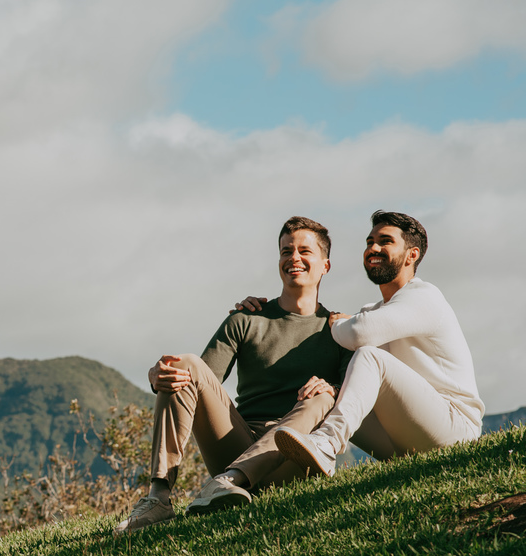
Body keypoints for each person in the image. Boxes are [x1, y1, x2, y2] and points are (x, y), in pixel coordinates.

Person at [114, 216, 352, 535]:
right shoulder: (246, 319)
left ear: (326, 265)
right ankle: (159, 497)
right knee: (184, 364)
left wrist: (331, 388)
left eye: (304, 251)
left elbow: (355, 399)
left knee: (324, 396)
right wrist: (158, 374)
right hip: (236, 446)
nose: (294, 258)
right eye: (286, 251)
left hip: (293, 457)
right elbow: (195, 381)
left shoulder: (340, 331)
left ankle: (231, 479)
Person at [273, 211, 484, 473]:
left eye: (385, 241)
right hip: (405, 439)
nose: (373, 248)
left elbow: (358, 334)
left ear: (412, 255)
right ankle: (278, 474)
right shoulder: (373, 313)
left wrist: (337, 322)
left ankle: (327, 443)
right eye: (369, 241)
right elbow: (360, 335)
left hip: (456, 430)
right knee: (328, 396)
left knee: (369, 355)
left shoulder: (425, 296)